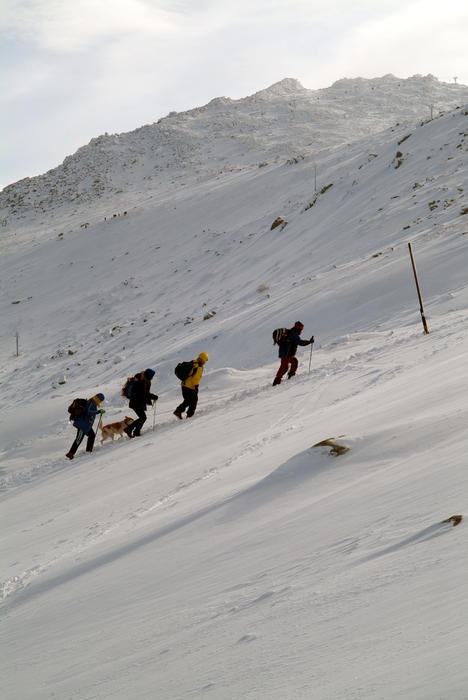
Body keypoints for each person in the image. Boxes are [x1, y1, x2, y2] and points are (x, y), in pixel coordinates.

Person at [272, 322, 314, 386]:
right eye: (301, 329)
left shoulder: (291, 332)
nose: (301, 331)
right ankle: (277, 381)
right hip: (286, 353)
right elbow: (300, 342)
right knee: (284, 367)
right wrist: (309, 342)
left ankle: (291, 376)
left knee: (294, 362)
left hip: (287, 353)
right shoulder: (293, 334)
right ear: (299, 329)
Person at [66, 393, 105, 459]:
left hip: (86, 424)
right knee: (79, 438)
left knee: (92, 435)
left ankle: (89, 450)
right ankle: (71, 453)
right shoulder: (92, 402)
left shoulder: (91, 401)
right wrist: (98, 411)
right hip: (83, 424)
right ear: (99, 399)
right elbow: (89, 411)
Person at [173, 352, 209, 419]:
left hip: (184, 385)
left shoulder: (193, 363)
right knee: (194, 401)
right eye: (204, 361)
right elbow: (196, 379)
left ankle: (178, 410)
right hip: (191, 387)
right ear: (202, 360)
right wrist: (196, 387)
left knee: (188, 400)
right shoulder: (198, 367)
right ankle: (189, 416)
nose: (204, 363)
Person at [124, 369, 158, 437]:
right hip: (137, 402)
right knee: (143, 417)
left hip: (136, 402)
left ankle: (130, 429)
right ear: (148, 375)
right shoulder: (142, 382)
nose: (152, 378)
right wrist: (153, 396)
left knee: (142, 417)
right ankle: (134, 431)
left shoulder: (141, 379)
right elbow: (143, 392)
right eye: (151, 376)